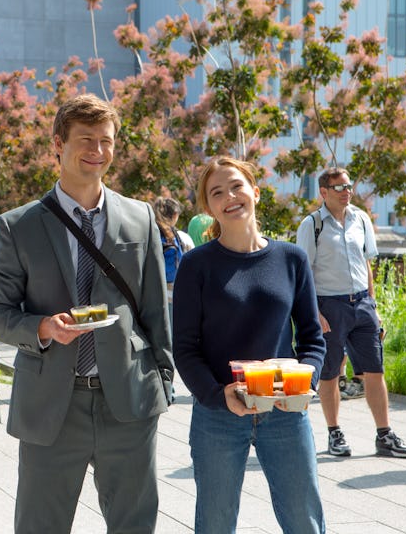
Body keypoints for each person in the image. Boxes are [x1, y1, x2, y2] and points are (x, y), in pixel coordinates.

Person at [0, 94, 173, 533]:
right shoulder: (19, 226)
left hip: (128, 401)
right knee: (40, 526)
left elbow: (155, 312)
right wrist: (42, 328)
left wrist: (162, 381)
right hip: (52, 407)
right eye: (86, 139)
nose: (98, 151)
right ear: (58, 144)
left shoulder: (140, 218)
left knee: (134, 525)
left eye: (106, 141)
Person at [173, 156, 326, 533]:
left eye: (237, 186)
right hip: (219, 416)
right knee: (215, 524)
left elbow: (311, 337)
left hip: (286, 413)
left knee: (304, 521)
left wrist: (306, 382)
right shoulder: (195, 265)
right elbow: (184, 348)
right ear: (209, 208)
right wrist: (215, 394)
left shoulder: (291, 258)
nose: (230, 196)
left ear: (255, 192)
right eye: (217, 192)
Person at [296, 167, 406, 459]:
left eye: (348, 186)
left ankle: (384, 435)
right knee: (329, 374)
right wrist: (316, 314)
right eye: (339, 187)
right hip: (329, 307)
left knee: (375, 371)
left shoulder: (360, 219)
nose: (346, 191)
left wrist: (373, 307)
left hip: (362, 305)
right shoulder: (311, 225)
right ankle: (335, 433)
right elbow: (303, 275)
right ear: (324, 192)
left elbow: (366, 265)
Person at [152, 196, 193, 320]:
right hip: (177, 297)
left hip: (154, 299)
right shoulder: (183, 238)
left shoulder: (150, 237)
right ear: (175, 215)